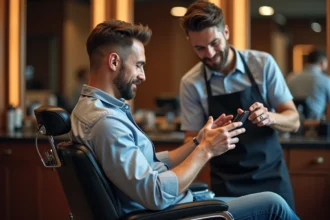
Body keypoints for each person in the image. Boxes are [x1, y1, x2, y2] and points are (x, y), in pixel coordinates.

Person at [70, 20, 299, 219]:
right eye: (139, 65)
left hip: (264, 170)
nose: (143, 75)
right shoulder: (106, 122)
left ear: (226, 33)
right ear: (114, 62)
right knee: (274, 205)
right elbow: (156, 195)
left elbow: (141, 164)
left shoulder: (93, 111)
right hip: (167, 212)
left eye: (214, 44)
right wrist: (206, 151)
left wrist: (199, 141)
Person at [179, 0, 300, 210]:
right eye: (199, 48)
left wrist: (271, 117)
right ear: (189, 42)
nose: (209, 53)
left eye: (214, 43)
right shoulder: (191, 83)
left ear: (226, 32)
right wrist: (207, 137)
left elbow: (294, 120)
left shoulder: (262, 64)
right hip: (227, 184)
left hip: (272, 178)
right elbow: (191, 139)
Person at [287, 49, 330, 120]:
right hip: (316, 125)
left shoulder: (291, 78)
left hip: (293, 122)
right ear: (323, 62)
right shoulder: (325, 80)